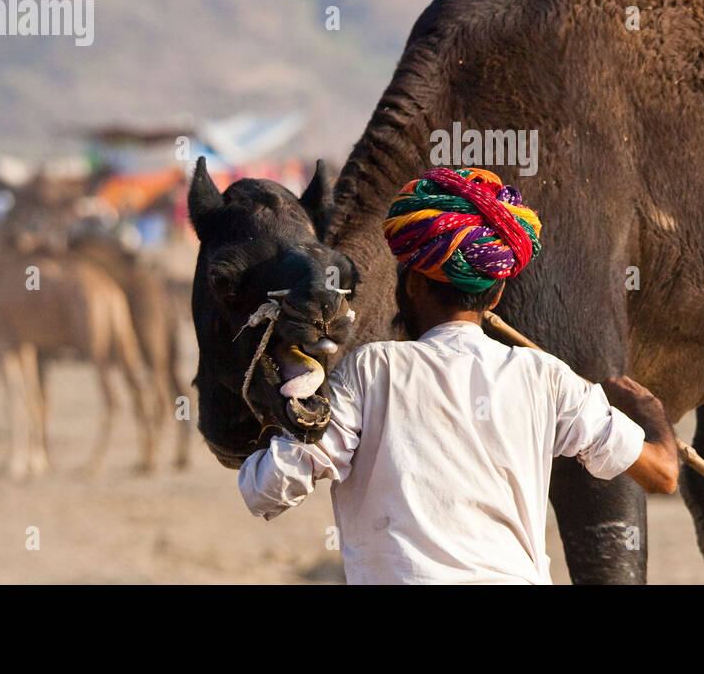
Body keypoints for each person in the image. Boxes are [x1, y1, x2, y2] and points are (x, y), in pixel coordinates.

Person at [238, 166, 678, 583]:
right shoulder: (546, 378)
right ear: (498, 290)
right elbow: (662, 475)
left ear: (411, 284)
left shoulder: (372, 370)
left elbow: (266, 489)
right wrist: (649, 412)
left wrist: (286, 410)